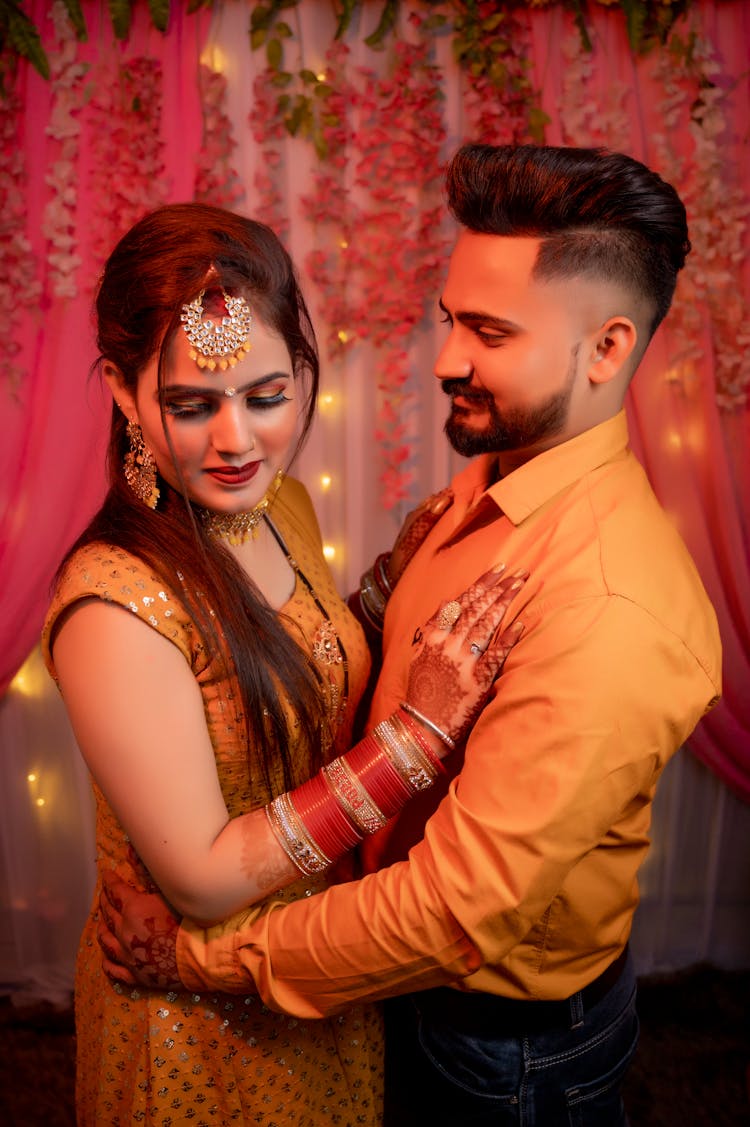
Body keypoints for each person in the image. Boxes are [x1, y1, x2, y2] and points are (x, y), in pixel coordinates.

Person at [99, 145, 722, 1126]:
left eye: (489, 330)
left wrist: (197, 957)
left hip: (496, 1045)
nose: (444, 359)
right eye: (447, 317)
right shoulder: (495, 474)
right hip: (380, 987)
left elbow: (446, 912)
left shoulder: (609, 610)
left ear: (605, 350)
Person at [40, 202, 527, 1126]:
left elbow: (293, 653)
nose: (237, 441)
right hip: (193, 1020)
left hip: (314, 966)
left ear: (305, 370)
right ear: (119, 387)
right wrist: (414, 741)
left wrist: (393, 580)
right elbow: (204, 877)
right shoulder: (114, 603)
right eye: (192, 405)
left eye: (267, 395)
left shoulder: (280, 505)